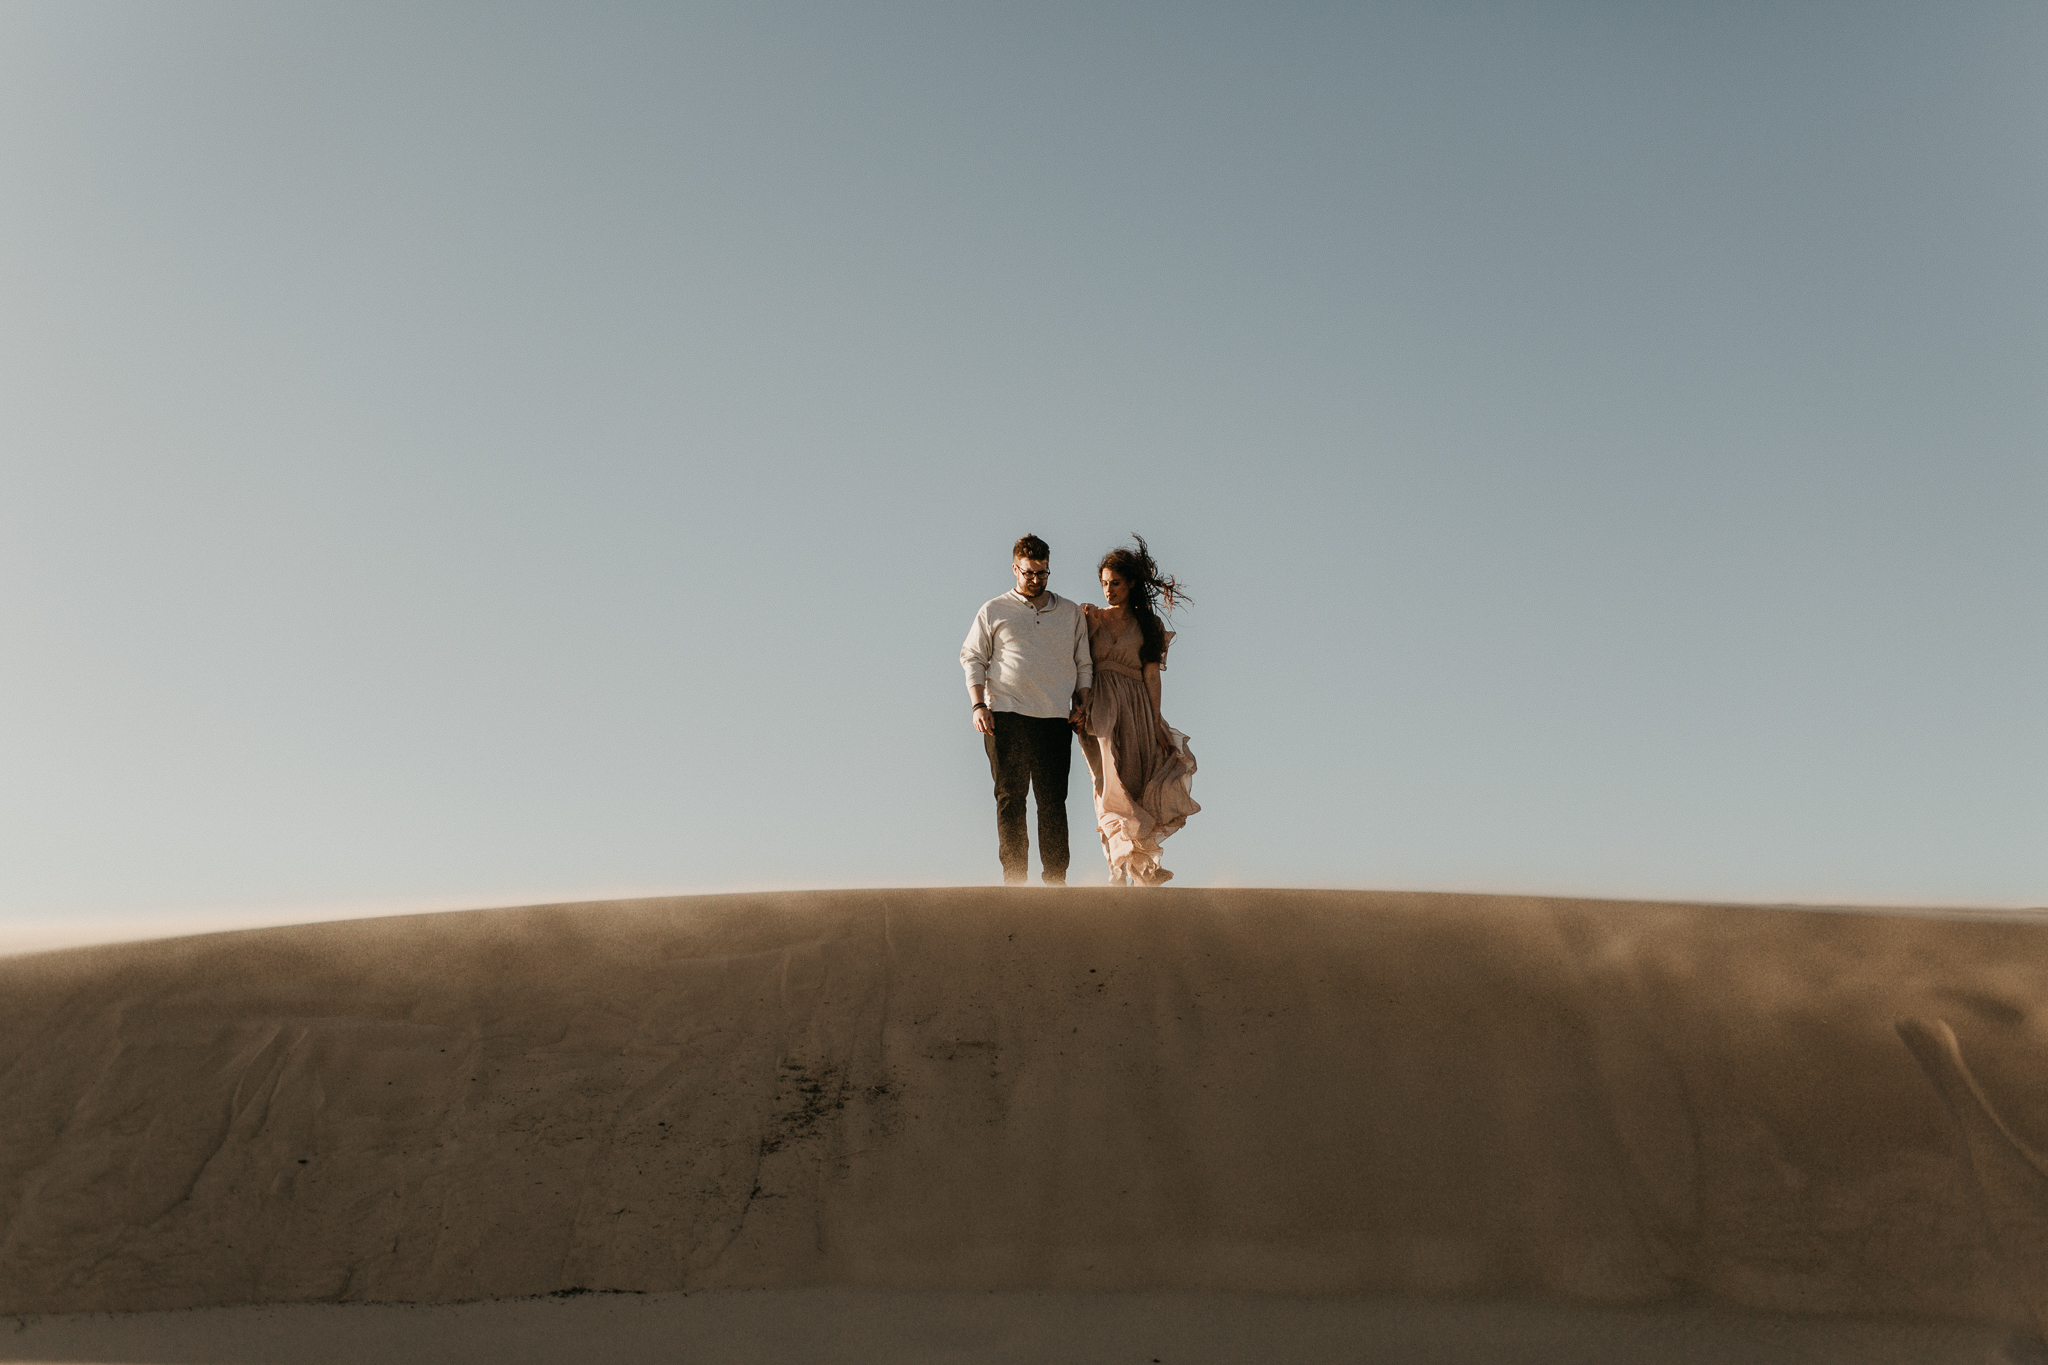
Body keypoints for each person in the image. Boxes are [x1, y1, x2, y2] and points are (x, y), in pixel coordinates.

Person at [960, 533, 1092, 886]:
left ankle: (1055, 880)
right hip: (1005, 716)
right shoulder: (993, 610)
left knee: (1052, 802)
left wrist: (1082, 700)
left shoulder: (1070, 613)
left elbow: (1084, 663)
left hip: (1053, 718)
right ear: (1015, 569)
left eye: (1043, 574)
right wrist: (977, 704)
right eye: (1029, 573)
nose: (1035, 580)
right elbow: (972, 657)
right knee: (1010, 799)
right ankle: (1015, 880)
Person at [1078, 535, 1199, 886]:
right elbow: (1076, 664)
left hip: (1137, 708)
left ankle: (1138, 866)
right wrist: (1079, 703)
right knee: (1107, 784)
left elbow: (1151, 677)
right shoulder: (1089, 617)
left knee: (1134, 785)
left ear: (1131, 583)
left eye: (1115, 583)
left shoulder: (1149, 626)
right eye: (1104, 583)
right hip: (1100, 706)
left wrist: (1158, 722)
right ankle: (1117, 866)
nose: (1108, 590)